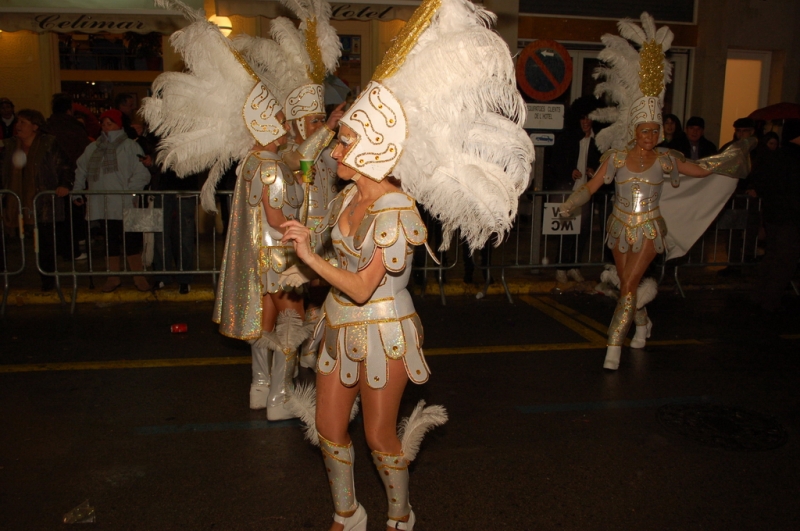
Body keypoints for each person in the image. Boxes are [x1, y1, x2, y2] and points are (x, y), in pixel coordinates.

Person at [280, 0, 533, 529]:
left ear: (375, 147)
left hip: (385, 333)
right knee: (328, 427)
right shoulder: (348, 197)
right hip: (338, 329)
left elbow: (362, 287)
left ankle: (400, 515)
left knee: (378, 435)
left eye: (346, 142)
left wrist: (308, 259)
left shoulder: (398, 212)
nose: (336, 151)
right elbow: (339, 261)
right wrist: (301, 268)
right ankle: (347, 513)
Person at [140, 0, 306, 421]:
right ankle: (280, 398)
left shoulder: (250, 162)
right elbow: (276, 220)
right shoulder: (271, 168)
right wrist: (306, 235)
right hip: (280, 255)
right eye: (281, 119)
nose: (287, 124)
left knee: (264, 323)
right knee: (292, 322)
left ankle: (259, 387)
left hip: (257, 255)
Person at [560, 13, 753, 371]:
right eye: (645, 130)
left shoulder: (666, 160)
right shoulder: (616, 158)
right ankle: (643, 322)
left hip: (649, 231)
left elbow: (702, 169)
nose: (650, 136)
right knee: (627, 287)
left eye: (655, 130)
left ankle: (613, 348)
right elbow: (592, 185)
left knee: (628, 287)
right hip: (619, 229)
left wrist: (734, 156)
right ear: (635, 130)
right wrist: (570, 204)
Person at [72, 109, 151, 292]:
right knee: (110, 242)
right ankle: (113, 277)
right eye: (104, 124)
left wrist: (130, 192)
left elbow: (141, 173)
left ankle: (138, 276)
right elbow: (81, 169)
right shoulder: (93, 148)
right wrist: (77, 190)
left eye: (111, 123)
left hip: (126, 202)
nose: (106, 127)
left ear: (119, 125)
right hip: (103, 204)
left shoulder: (130, 146)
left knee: (131, 241)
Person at [1, 109, 73, 291]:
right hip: (15, 202)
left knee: (45, 244)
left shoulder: (48, 144)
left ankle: (48, 282)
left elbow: (64, 166)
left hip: (44, 202)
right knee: (7, 242)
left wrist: (64, 184)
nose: (18, 126)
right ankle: (5, 279)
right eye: (18, 122)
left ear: (35, 126)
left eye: (23, 122)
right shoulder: (10, 146)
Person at [748, 120, 800, 312]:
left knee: (772, 256)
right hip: (790, 217)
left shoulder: (775, 156)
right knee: (785, 260)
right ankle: (770, 299)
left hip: (774, 214)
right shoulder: (794, 158)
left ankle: (759, 295)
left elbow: (763, 182)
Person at [548, 95, 601, 283]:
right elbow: (554, 163)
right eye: (582, 118)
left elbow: (604, 165)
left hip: (586, 194)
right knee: (566, 233)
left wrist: (594, 171)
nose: (585, 122)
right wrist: (570, 172)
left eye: (589, 118)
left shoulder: (598, 141)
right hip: (568, 193)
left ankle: (574, 267)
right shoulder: (568, 139)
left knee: (582, 233)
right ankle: (561, 267)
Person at [47, 93, 91, 261]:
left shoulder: (47, 127)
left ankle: (59, 249)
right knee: (71, 217)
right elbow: (83, 154)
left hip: (50, 179)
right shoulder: (74, 128)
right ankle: (71, 250)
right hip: (72, 176)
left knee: (54, 218)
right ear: (69, 110)